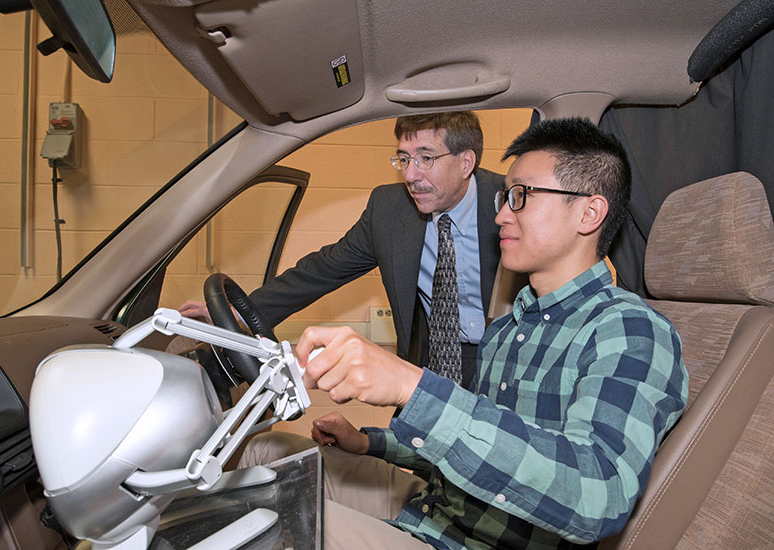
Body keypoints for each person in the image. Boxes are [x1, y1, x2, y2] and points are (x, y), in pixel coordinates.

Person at [238, 117, 689, 550]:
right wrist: (371, 442)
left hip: (474, 538)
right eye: (505, 198)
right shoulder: (509, 327)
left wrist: (411, 386)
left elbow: (596, 495)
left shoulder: (629, 331)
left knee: (257, 522)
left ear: (589, 212)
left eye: (521, 197)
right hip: (436, 508)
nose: (500, 217)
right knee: (265, 452)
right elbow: (479, 442)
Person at [180, 111, 504, 387]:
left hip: (507, 361)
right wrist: (242, 311)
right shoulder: (389, 209)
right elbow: (322, 270)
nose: (410, 174)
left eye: (426, 158)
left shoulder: (510, 202)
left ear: (466, 162)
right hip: (430, 365)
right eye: (404, 159)